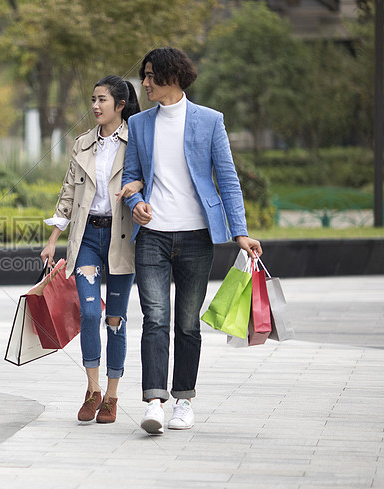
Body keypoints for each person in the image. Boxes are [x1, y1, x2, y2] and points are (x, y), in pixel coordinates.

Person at [121, 47, 262, 435]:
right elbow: (130, 176)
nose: (144, 83)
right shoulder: (140, 124)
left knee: (186, 323)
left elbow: (228, 179)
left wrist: (241, 232)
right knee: (155, 319)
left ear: (173, 77)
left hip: (198, 237)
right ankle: (154, 401)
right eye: (144, 75)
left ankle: (183, 399)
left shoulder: (209, 121)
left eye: (150, 76)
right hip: (151, 236)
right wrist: (136, 202)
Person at [40, 75, 143, 424]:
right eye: (93, 99)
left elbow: (150, 179)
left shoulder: (136, 141)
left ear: (120, 105)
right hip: (85, 239)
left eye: (102, 100)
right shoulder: (82, 144)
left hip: (121, 241)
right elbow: (67, 193)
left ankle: (112, 396)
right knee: (88, 313)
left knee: (115, 319)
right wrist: (53, 239)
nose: (96, 106)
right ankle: (92, 388)